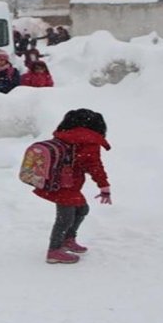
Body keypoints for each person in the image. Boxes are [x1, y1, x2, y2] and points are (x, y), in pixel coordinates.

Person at [35, 109, 111, 264]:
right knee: (65, 218)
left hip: (61, 182)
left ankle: (68, 239)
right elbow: (94, 165)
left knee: (81, 209)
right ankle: (54, 250)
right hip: (66, 184)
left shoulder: (65, 135)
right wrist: (104, 186)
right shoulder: (88, 140)